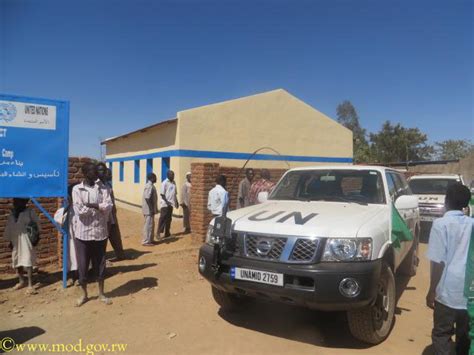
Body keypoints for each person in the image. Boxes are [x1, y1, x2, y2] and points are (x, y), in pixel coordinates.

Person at [426, 183, 472, 355]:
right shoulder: (472, 224)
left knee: (441, 333)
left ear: (446, 201)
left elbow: (438, 262)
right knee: (465, 334)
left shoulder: (440, 224)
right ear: (466, 205)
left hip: (447, 291)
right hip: (469, 291)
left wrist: (432, 290)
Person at [72, 162, 113, 306]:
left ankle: (101, 293)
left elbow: (108, 207)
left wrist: (92, 205)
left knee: (100, 265)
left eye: (96, 170)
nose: (95, 173)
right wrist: (98, 207)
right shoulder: (77, 189)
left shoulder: (103, 188)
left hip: (100, 233)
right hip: (83, 235)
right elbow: (80, 211)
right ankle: (84, 295)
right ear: (85, 173)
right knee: (83, 266)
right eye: (92, 171)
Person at [4, 198, 40, 294]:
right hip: (15, 240)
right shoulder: (12, 214)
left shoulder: (30, 212)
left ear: (24, 202)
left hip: (26, 239)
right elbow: (9, 227)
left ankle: (30, 285)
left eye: (18, 201)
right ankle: (21, 281)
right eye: (14, 202)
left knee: (27, 261)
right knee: (17, 260)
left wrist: (34, 237)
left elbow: (37, 224)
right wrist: (10, 240)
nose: (15, 203)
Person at [97, 163, 125, 261]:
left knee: (116, 237)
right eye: (109, 174)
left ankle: (120, 255)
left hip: (112, 216)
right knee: (102, 240)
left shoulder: (108, 185)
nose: (110, 176)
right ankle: (102, 261)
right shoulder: (96, 187)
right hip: (103, 218)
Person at [53, 184, 78, 286]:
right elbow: (58, 218)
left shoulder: (82, 205)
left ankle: (80, 276)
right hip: (71, 237)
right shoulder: (66, 207)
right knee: (72, 256)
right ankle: (72, 276)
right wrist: (67, 207)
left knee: (81, 257)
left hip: (83, 236)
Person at [157, 170, 178, 239]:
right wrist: (167, 202)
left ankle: (167, 233)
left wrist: (176, 202)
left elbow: (174, 194)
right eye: (172, 175)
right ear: (168, 175)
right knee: (162, 218)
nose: (173, 176)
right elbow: (162, 194)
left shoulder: (174, 183)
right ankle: (158, 233)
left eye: (173, 175)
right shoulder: (164, 183)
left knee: (169, 219)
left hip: (171, 204)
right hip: (165, 204)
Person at [142, 173, 158, 246]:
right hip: (148, 210)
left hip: (150, 210)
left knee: (151, 225)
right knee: (148, 225)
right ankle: (146, 241)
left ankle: (150, 239)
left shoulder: (151, 186)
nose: (156, 179)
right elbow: (147, 198)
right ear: (151, 178)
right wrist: (151, 208)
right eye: (155, 177)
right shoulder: (149, 186)